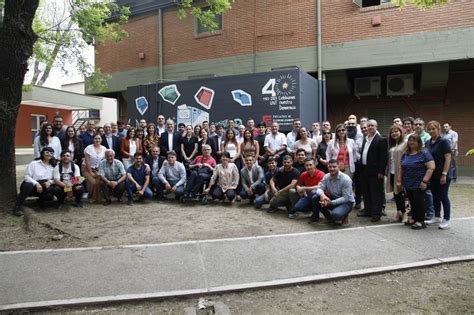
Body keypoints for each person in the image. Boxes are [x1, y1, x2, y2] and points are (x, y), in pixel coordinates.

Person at [400, 134, 435, 229]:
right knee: (412, 202)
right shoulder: (405, 154)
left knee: (419, 202)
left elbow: (431, 167)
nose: (411, 142)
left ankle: (421, 221)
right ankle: (415, 218)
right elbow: (402, 168)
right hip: (408, 183)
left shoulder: (424, 153)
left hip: (419, 183)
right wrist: (400, 181)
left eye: (414, 140)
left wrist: (424, 181)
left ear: (419, 142)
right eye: (410, 140)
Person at [308, 159, 355, 225]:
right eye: (330, 167)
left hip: (346, 202)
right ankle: (329, 218)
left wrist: (331, 203)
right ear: (327, 167)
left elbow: (346, 198)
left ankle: (345, 215)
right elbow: (319, 188)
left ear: (338, 167)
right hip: (333, 198)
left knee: (336, 215)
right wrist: (322, 195)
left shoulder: (346, 179)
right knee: (315, 197)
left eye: (334, 167)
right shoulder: (326, 176)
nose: (332, 169)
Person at [13, 147, 56, 216]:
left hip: (44, 187)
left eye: (51, 153)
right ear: (42, 153)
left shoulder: (53, 166)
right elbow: (27, 176)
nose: (49, 154)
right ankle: (17, 207)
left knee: (54, 190)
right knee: (28, 185)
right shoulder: (34, 163)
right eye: (47, 152)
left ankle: (43, 201)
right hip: (32, 186)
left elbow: (56, 179)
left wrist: (50, 181)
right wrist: (36, 183)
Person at [358, 120, 387, 222]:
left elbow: (383, 158)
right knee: (366, 192)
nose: (370, 127)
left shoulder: (381, 140)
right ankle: (368, 210)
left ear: (376, 127)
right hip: (364, 170)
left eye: (372, 126)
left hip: (375, 172)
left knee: (376, 194)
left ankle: (376, 214)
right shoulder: (365, 139)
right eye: (368, 126)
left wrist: (381, 172)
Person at [425, 121, 452, 229]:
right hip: (433, 174)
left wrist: (444, 174)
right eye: (429, 129)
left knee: (443, 196)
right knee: (435, 196)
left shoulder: (444, 141)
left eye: (433, 129)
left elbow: (448, 158)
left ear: (438, 129)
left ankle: (446, 219)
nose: (431, 131)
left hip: (443, 174)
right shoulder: (428, 142)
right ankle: (436, 216)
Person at [386, 125, 407, 222]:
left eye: (396, 131)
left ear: (401, 132)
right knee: (396, 194)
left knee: (401, 194)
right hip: (392, 172)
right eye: (392, 132)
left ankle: (405, 213)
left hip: (401, 173)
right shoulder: (392, 145)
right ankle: (399, 212)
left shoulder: (405, 144)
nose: (394, 133)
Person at [82, 134, 107, 203]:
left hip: (97, 169)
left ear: (101, 140)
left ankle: (97, 198)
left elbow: (103, 161)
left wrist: (99, 171)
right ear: (93, 139)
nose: (97, 140)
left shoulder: (104, 148)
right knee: (93, 182)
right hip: (86, 168)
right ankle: (91, 197)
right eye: (96, 138)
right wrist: (90, 172)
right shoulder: (89, 148)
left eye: (99, 138)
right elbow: (87, 161)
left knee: (98, 182)